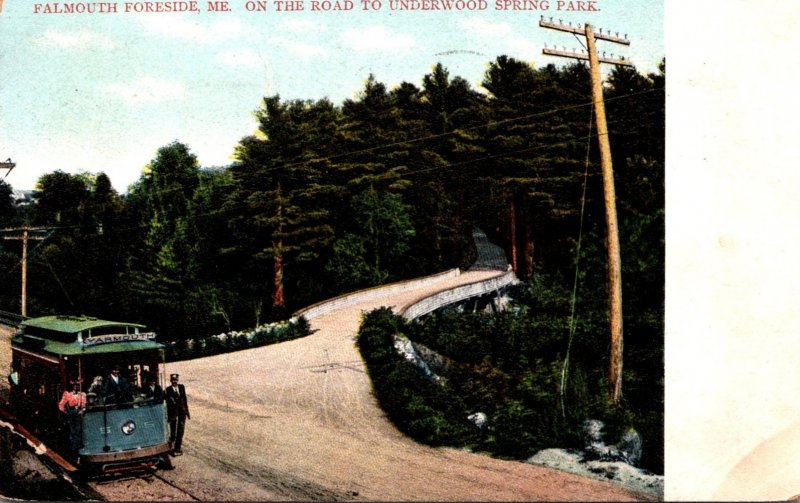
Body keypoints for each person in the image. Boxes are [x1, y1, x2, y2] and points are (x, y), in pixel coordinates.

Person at [58, 379, 87, 451]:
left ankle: (79, 446)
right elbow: (61, 405)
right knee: (72, 430)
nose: (76, 387)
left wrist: (82, 410)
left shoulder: (82, 394)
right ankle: (73, 447)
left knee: (79, 429)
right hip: (71, 413)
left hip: (79, 413)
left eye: (77, 386)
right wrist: (66, 412)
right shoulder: (68, 394)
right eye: (74, 386)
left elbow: (85, 405)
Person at [165, 373, 190, 455]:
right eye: (173, 380)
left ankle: (177, 448)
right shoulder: (168, 390)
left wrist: (187, 411)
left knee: (181, 430)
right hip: (173, 413)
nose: (174, 382)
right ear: (170, 381)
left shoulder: (181, 387)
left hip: (182, 412)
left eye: (176, 380)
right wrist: (169, 415)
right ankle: (171, 448)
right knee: (173, 431)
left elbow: (184, 399)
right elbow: (168, 403)